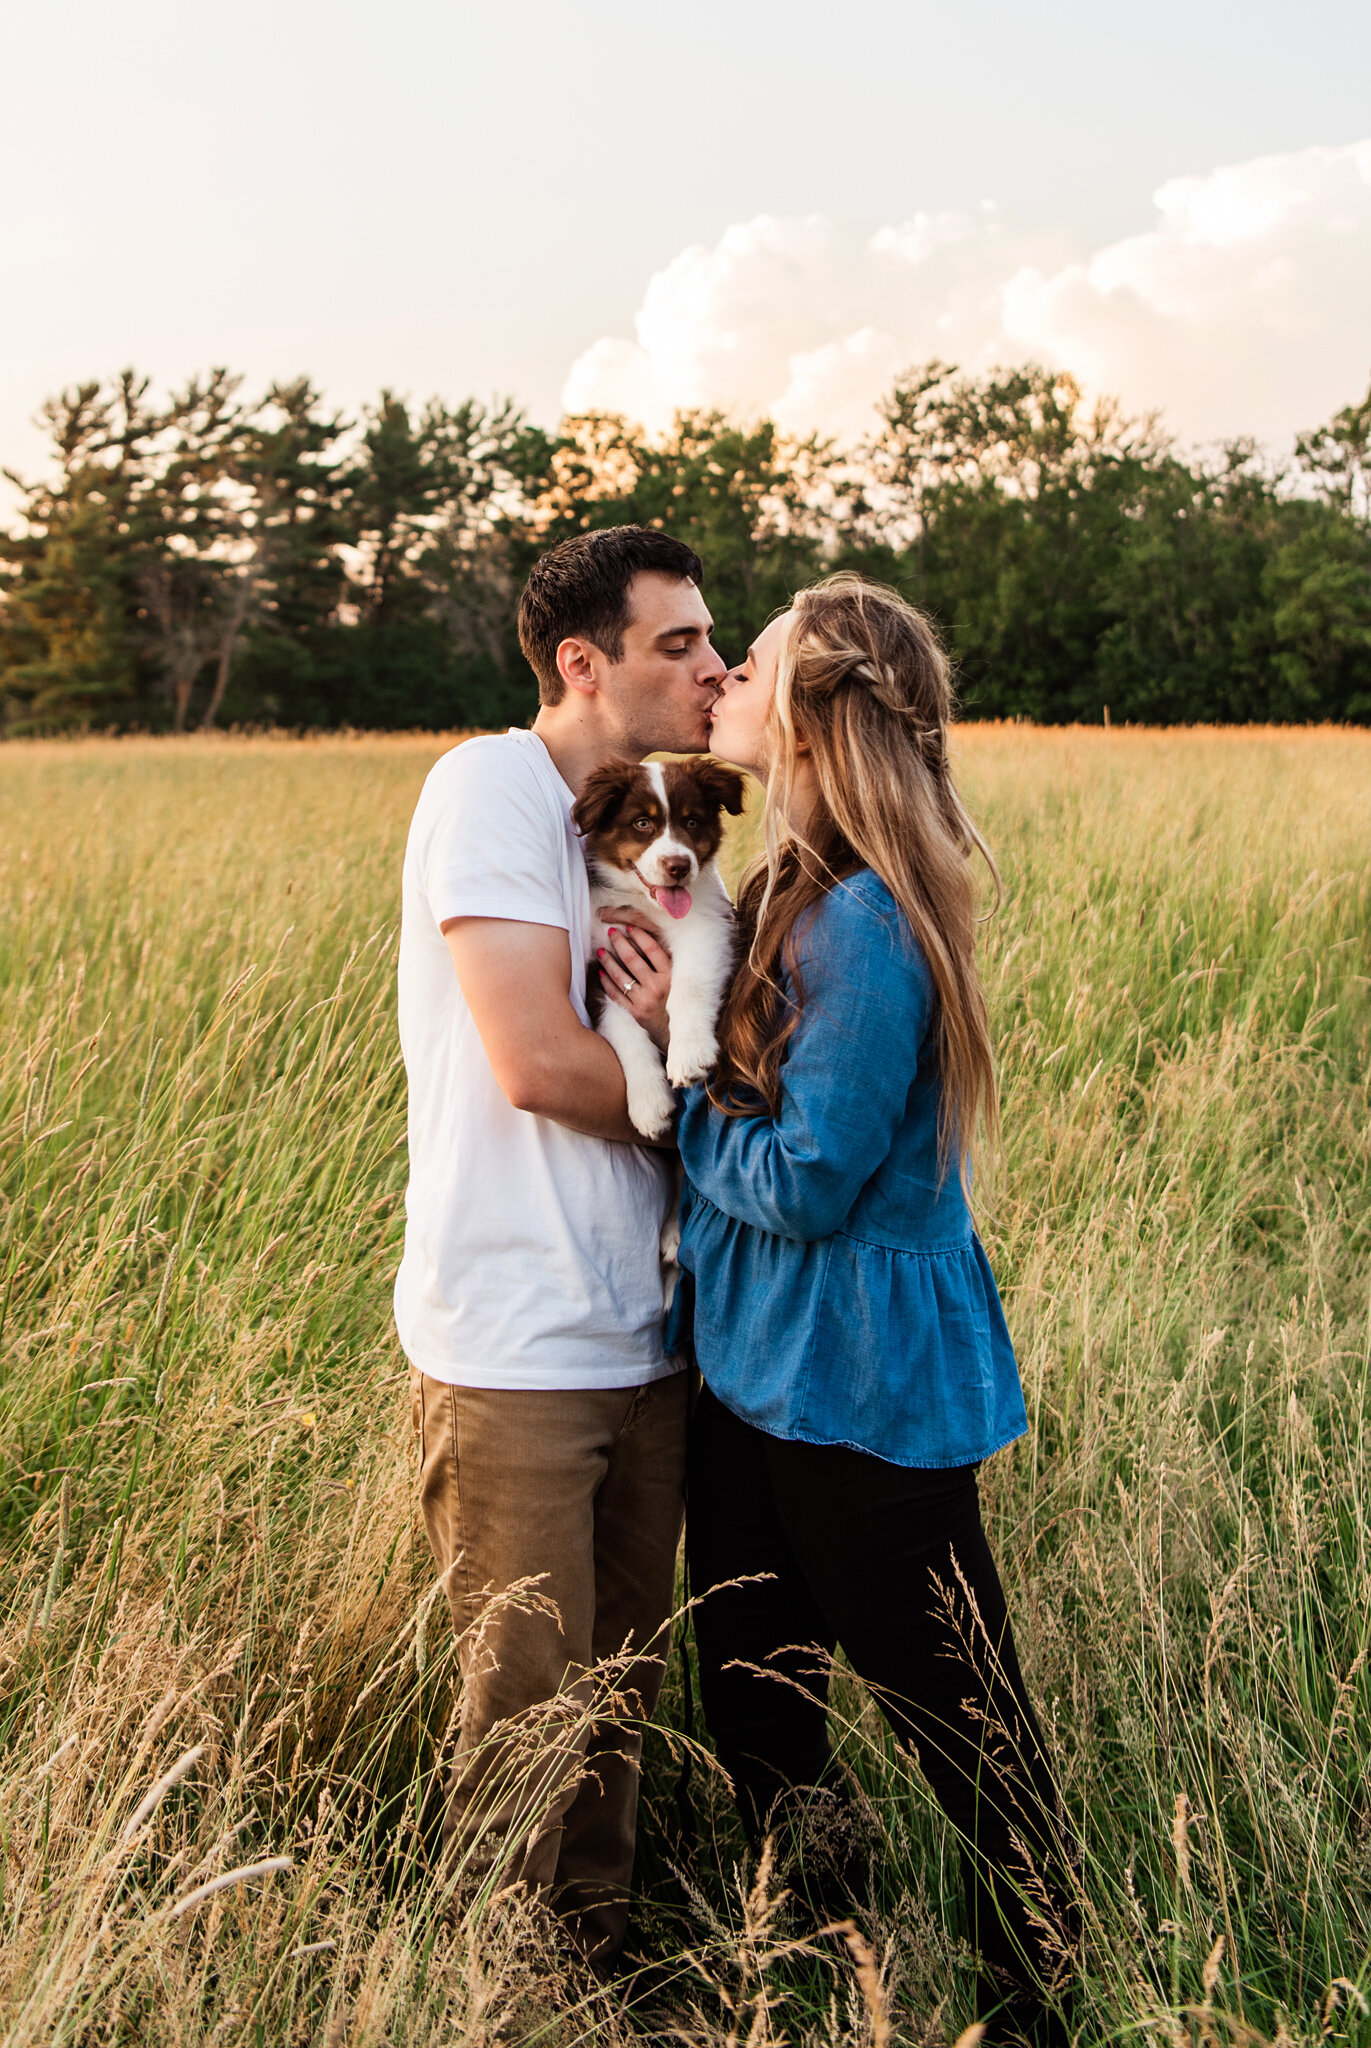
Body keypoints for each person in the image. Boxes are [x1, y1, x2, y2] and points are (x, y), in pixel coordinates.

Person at [597, 574, 1078, 2041]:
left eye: (745, 666)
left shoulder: (861, 920)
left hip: (862, 1384)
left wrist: (676, 1117)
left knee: (958, 1714)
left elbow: (806, 1181)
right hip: (756, 1367)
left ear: (805, 714)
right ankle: (809, 1945)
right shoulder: (786, 885)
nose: (716, 679)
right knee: (753, 1683)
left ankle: (1040, 1981)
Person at [395, 525, 725, 1966]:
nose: (717, 668)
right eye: (679, 646)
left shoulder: (653, 829)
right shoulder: (492, 786)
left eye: (715, 642)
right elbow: (535, 1061)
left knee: (620, 1706)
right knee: (522, 1720)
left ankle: (594, 1979)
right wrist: (710, 1117)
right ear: (582, 667)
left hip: (643, 1337)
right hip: (519, 1341)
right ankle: (490, 1992)